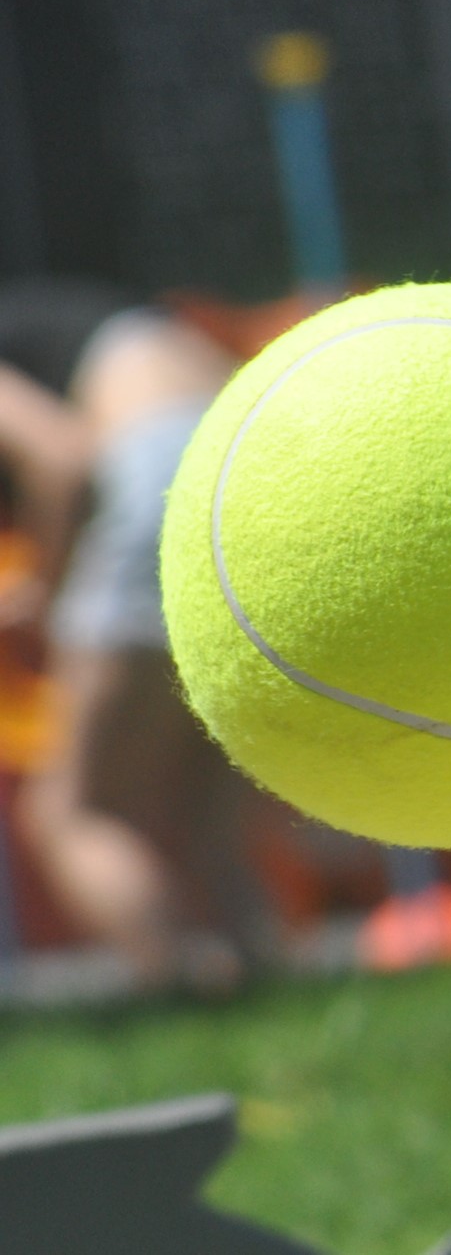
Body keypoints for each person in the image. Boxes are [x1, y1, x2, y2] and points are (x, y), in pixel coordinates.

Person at [0, 277, 279, 994]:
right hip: (266, 473)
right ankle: (273, 989)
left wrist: (44, 591)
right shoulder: (89, 315)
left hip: (160, 468)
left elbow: (64, 459)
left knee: (69, 810)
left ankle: (189, 994)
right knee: (205, 816)